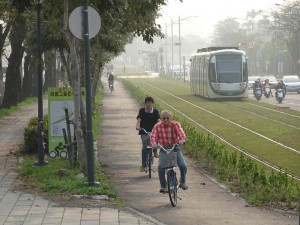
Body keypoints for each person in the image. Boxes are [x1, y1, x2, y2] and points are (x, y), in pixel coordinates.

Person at [150, 109, 188, 193]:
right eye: (164, 118)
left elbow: (182, 134)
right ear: (161, 118)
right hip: (163, 148)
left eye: (167, 118)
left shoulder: (176, 125)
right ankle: (163, 186)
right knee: (160, 167)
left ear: (170, 118)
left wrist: (182, 140)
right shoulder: (157, 126)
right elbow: (153, 136)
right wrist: (154, 145)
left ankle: (183, 180)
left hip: (175, 147)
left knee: (182, 165)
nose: (166, 120)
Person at [136, 97, 160, 172]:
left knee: (155, 142)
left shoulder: (155, 111)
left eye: (150, 102)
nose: (149, 104)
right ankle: (143, 164)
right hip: (144, 131)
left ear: (152, 103)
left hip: (154, 131)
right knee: (145, 148)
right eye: (147, 102)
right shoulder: (142, 110)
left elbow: (158, 120)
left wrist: (160, 127)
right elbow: (139, 119)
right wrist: (138, 126)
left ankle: (155, 151)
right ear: (145, 103)